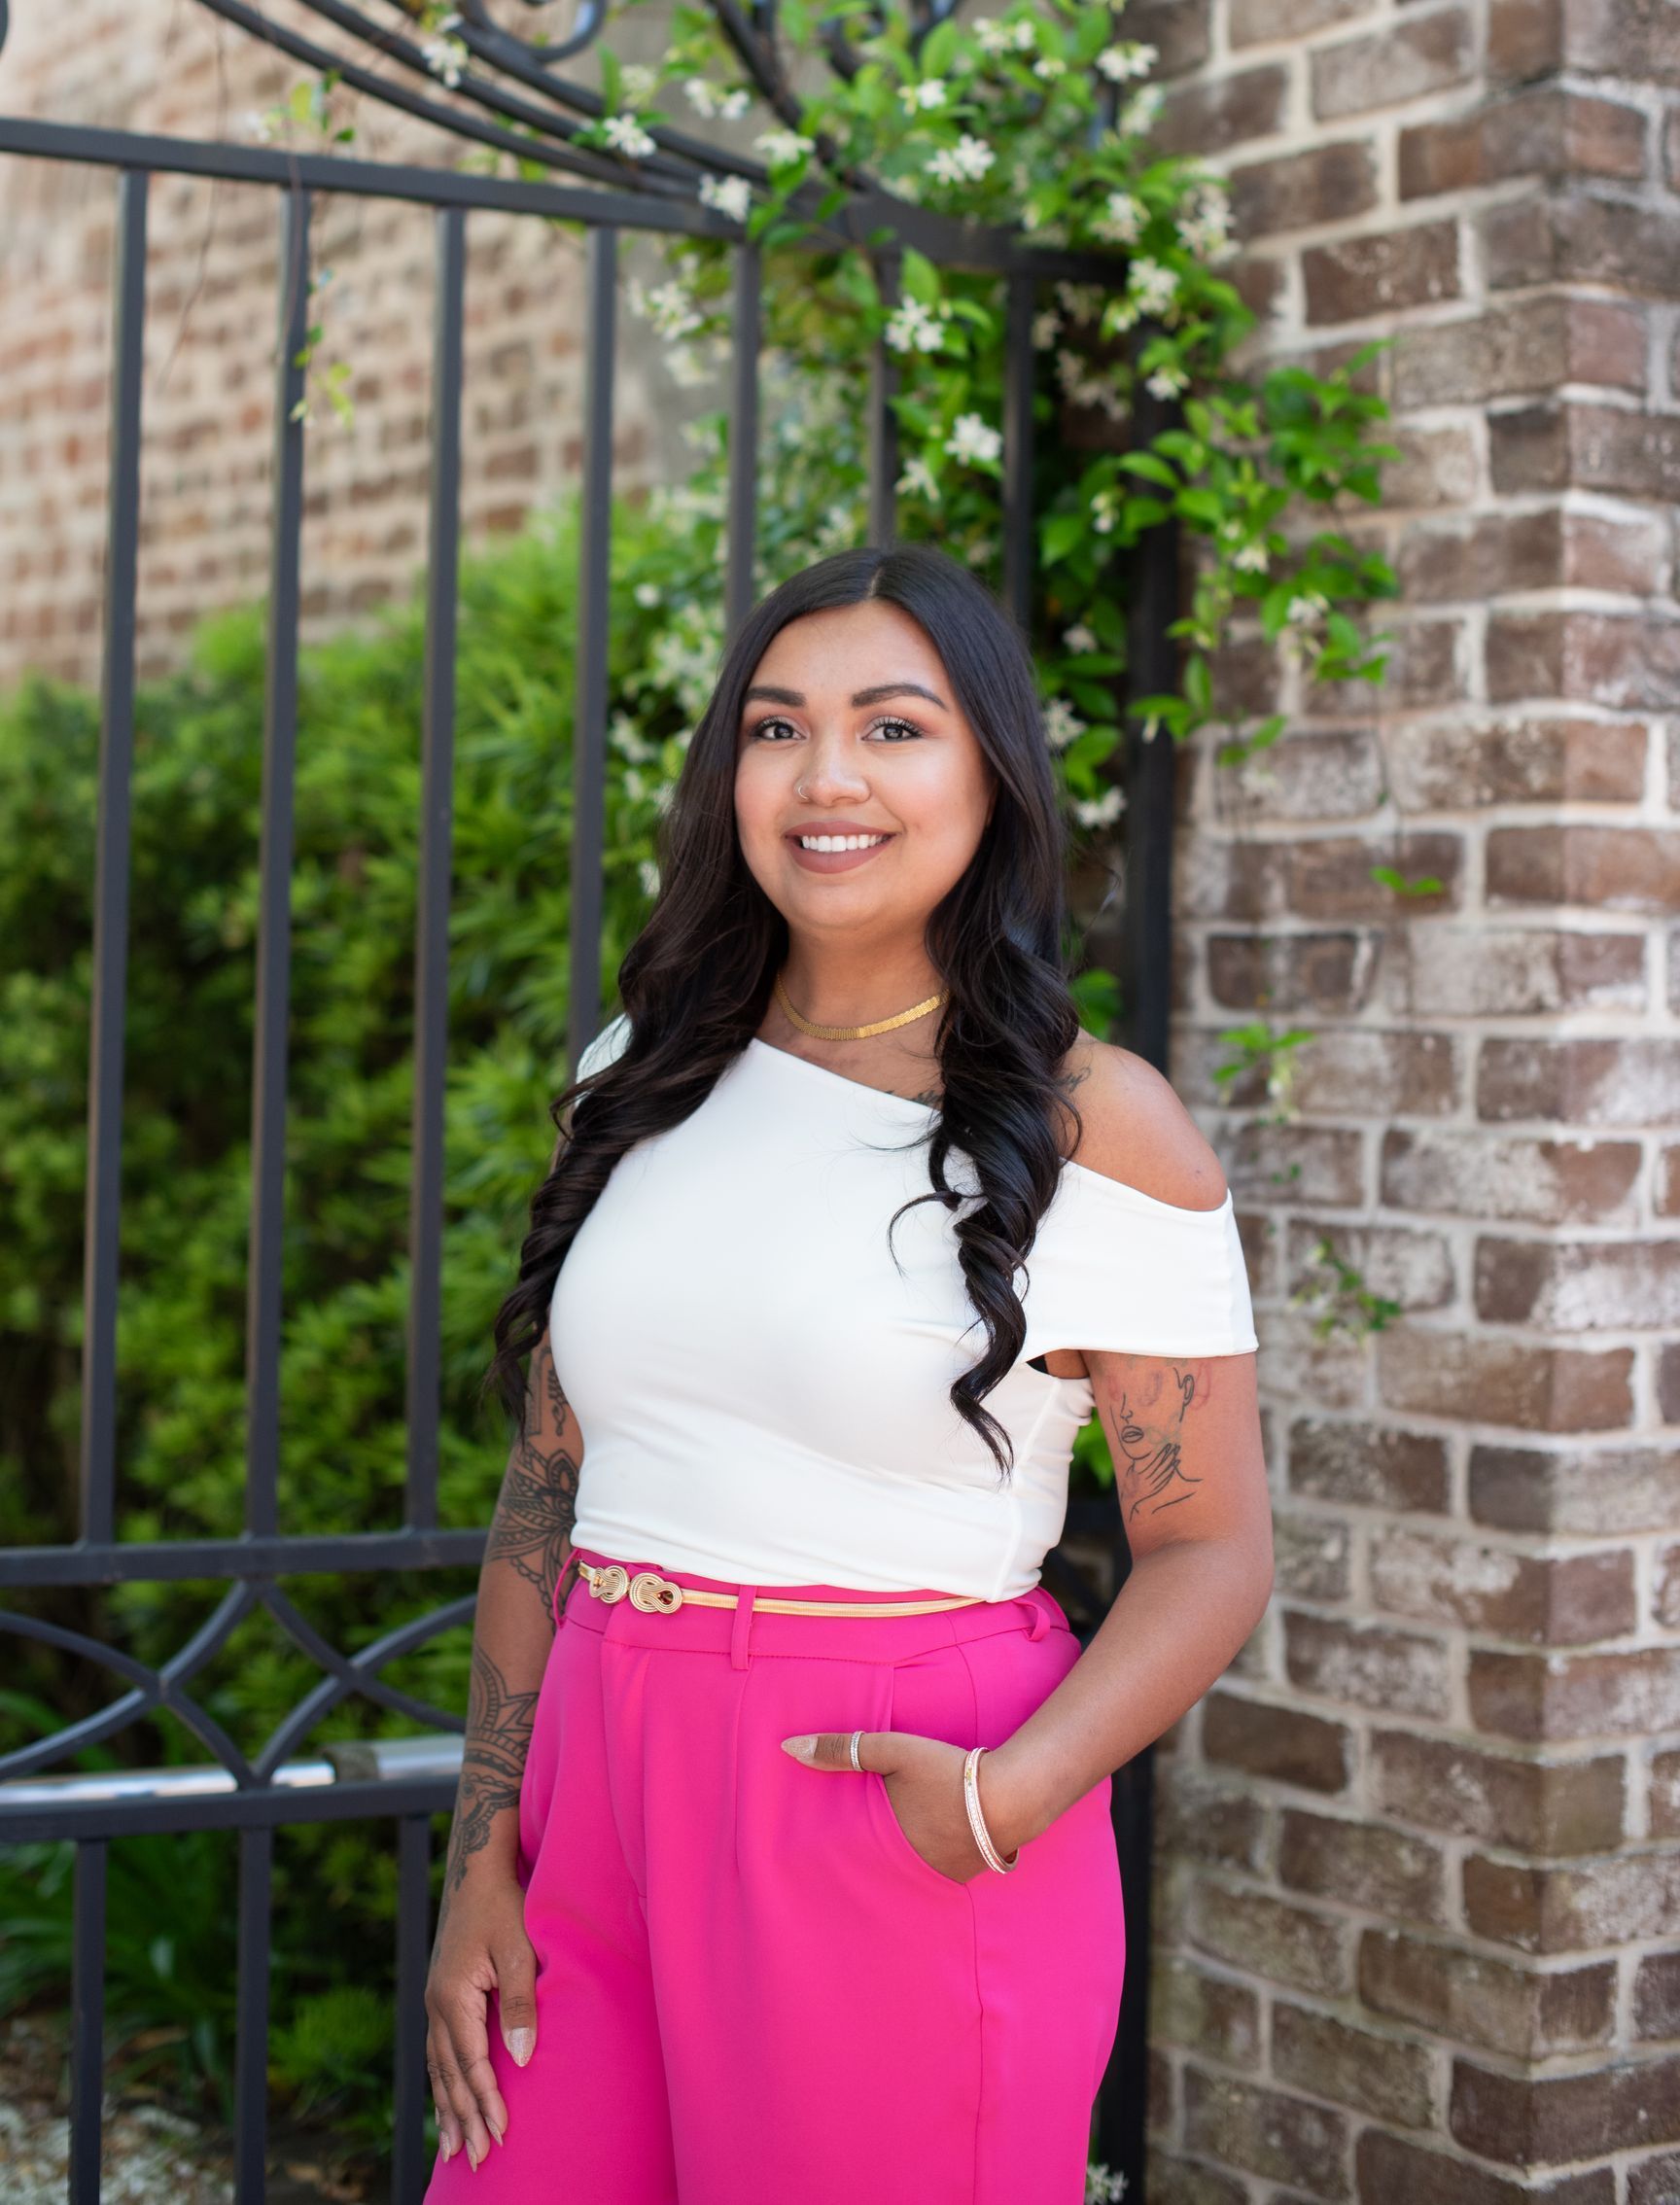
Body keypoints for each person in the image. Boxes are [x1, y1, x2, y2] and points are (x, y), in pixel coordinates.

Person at [421, 542, 1272, 2205]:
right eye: (775, 727)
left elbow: (1211, 1550)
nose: (826, 779)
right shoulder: (637, 1069)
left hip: (891, 1790)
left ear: (989, 773)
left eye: (894, 729)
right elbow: (550, 1485)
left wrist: (1003, 1798)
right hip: (600, 1775)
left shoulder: (1104, 1129)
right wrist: (481, 1859)